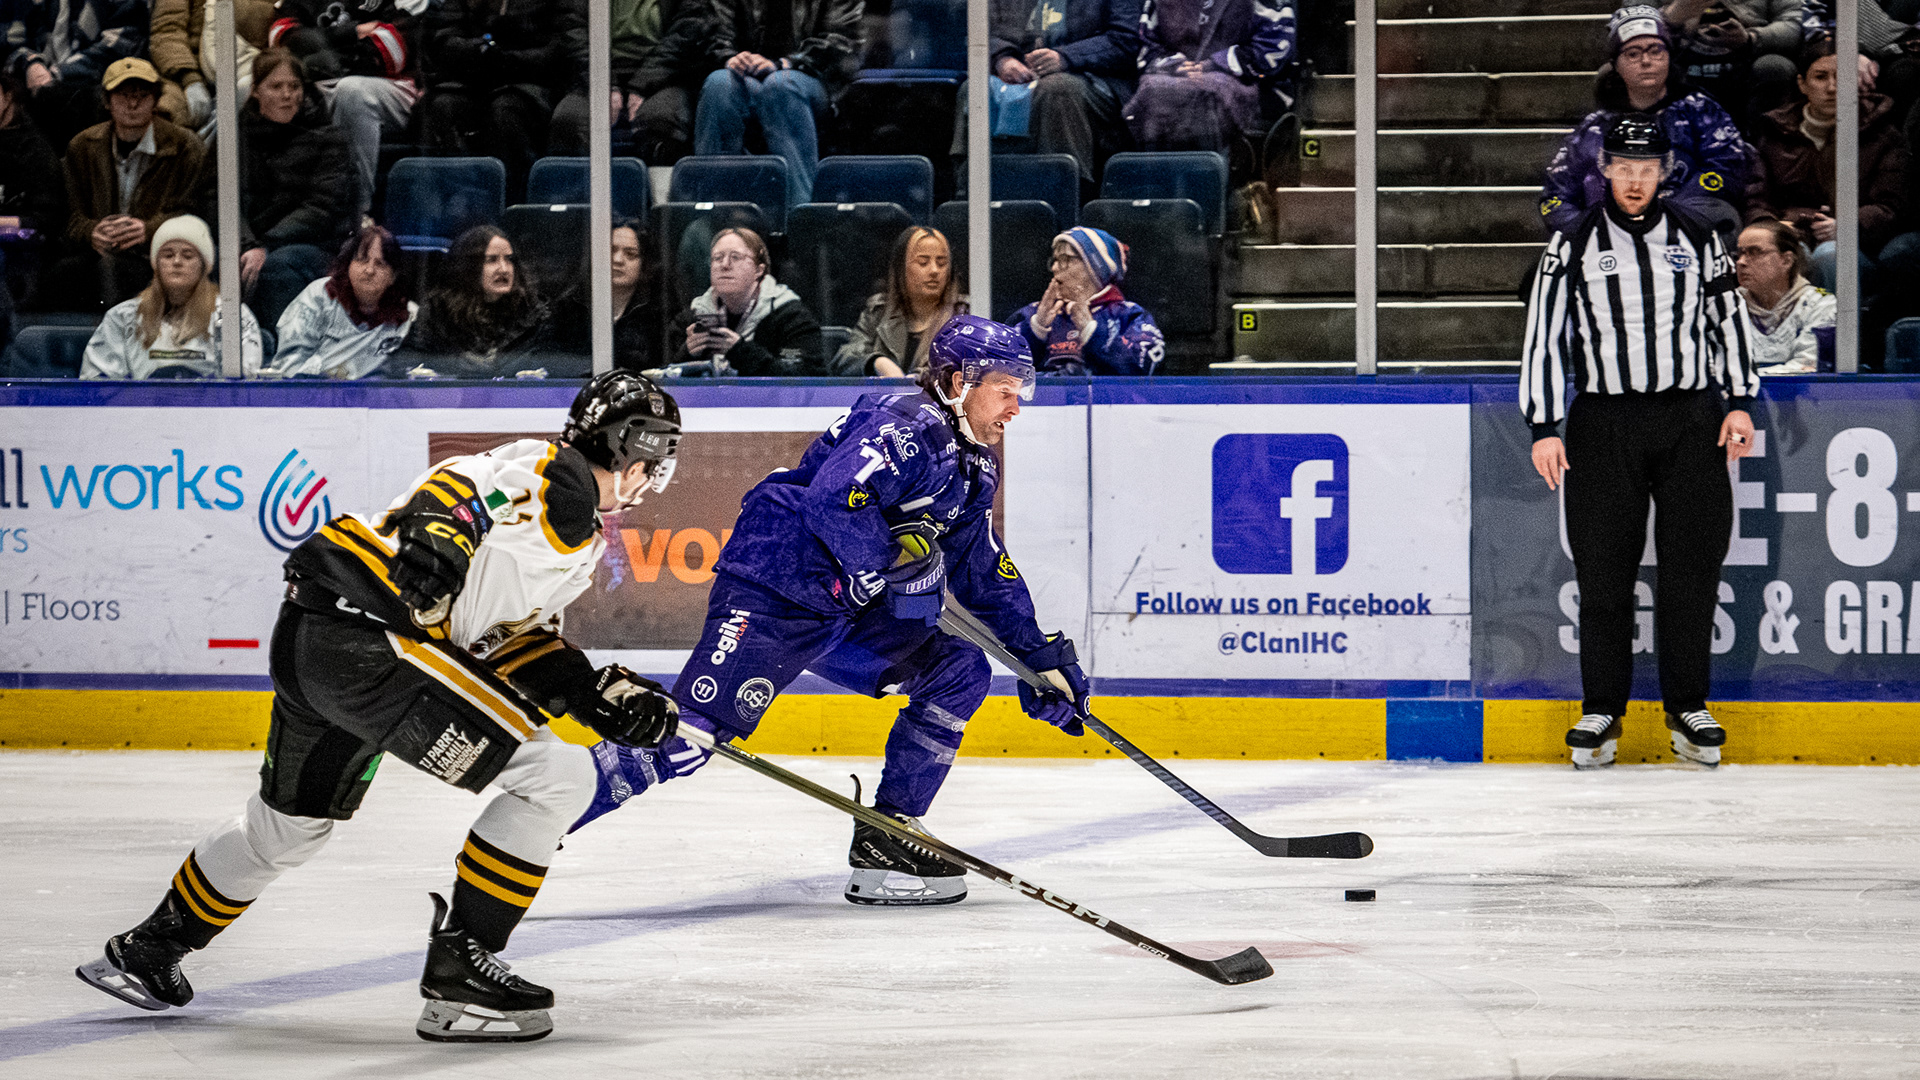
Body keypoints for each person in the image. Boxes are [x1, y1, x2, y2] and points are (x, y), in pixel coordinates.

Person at [75, 373, 686, 1044]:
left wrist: (594, 695)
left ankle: (148, 950)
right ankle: (463, 968)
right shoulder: (554, 475)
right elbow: (456, 487)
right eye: (657, 455)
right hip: (372, 643)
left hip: (316, 637)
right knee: (559, 778)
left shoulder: (576, 535)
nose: (653, 476)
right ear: (631, 448)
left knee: (288, 827)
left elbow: (505, 639)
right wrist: (441, 537)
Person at [575, 315, 1093, 907]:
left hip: (847, 609)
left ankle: (888, 835)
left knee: (959, 671)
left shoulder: (973, 468)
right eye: (1004, 391)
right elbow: (835, 499)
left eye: (1021, 391)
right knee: (690, 737)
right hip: (778, 590)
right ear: (958, 383)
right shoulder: (905, 427)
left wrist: (1037, 656)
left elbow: (982, 570)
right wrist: (891, 562)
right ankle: (539, 816)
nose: (1015, 408)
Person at [1520, 115, 1761, 771]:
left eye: (1646, 169)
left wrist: (1740, 400)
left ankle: (1688, 706)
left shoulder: (1698, 235)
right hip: (1604, 423)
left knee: (1693, 570)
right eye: (1623, 168)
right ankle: (1602, 708)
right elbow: (1545, 334)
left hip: (1691, 419)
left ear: (1664, 172)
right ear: (1604, 170)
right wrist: (1543, 426)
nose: (1634, 180)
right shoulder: (1572, 241)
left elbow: (1726, 317)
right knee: (1603, 573)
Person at [1539, 6, 1752, 238]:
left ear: (1669, 56)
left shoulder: (1701, 111)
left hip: (1683, 228)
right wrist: (1589, 231)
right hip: (1608, 238)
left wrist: (1664, 215)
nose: (1646, 61)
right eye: (1633, 54)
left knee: (1721, 213)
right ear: (1615, 65)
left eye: (1656, 50)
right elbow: (1555, 196)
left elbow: (1727, 170)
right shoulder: (1593, 129)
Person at [1745, 39, 1917, 293]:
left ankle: (1836, 321)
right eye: (1820, 77)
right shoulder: (1773, 133)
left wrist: (1845, 226)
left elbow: (1891, 206)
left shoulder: (1883, 135)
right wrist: (1775, 228)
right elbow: (1756, 198)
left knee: (1829, 253)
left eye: (1842, 77)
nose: (1832, 87)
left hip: (1860, 251)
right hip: (1792, 236)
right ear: (1802, 84)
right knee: (1781, 254)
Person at [53, 58, 209, 313]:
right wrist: (92, 232)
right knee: (63, 273)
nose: (133, 104)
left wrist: (149, 230)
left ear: (155, 101)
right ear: (107, 101)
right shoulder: (82, 146)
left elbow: (197, 210)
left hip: (159, 254)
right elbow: (68, 214)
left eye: (142, 96)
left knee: (113, 270)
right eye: (123, 96)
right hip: (100, 251)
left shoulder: (185, 146)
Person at [693, 0, 863, 207]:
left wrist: (785, 64)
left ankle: (799, 211)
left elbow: (842, 40)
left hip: (813, 78)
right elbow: (713, 30)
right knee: (719, 84)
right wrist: (730, 58)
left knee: (781, 86)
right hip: (748, 77)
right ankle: (712, 212)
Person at [268, 0, 428, 220]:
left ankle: (356, 215)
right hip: (317, 80)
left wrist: (319, 53)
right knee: (260, 88)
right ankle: (276, 211)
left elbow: (394, 49)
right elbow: (281, 42)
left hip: (390, 86)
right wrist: (353, 32)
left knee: (351, 90)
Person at [236, 49, 353, 328]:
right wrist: (247, 243)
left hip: (313, 245)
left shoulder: (328, 138)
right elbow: (216, 197)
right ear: (255, 91)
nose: (287, 95)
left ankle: (282, 347)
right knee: (213, 260)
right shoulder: (236, 137)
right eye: (276, 87)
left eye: (294, 86)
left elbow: (321, 207)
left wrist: (265, 244)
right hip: (251, 241)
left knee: (279, 266)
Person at [79, 214, 265, 378]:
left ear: (204, 265)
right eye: (168, 255)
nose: (177, 261)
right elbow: (99, 385)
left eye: (188, 255)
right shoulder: (122, 317)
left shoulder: (232, 315)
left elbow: (244, 385)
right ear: (156, 263)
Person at [990, 0, 1143, 196]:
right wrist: (1002, 59)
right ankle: (970, 196)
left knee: (1057, 90)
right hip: (1024, 75)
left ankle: (1065, 198)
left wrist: (1066, 57)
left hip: (1097, 78)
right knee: (973, 92)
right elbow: (983, 32)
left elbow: (1126, 40)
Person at [422, 0, 567, 203]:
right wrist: (480, 49)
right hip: (474, 78)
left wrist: (509, 58)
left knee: (506, 111)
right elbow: (444, 39)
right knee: (443, 106)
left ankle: (515, 203)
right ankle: (458, 202)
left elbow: (557, 49)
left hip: (529, 81)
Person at [1123, 0, 1297, 154]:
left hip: (1251, 83)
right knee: (1153, 90)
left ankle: (1215, 176)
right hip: (1176, 75)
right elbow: (1149, 47)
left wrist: (1217, 64)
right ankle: (1158, 175)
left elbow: (1273, 48)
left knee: (1210, 92)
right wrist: (1174, 64)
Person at [552, 0, 713, 164]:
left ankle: (659, 182)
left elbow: (686, 32)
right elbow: (572, 29)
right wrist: (605, 84)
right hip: (595, 73)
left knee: (662, 123)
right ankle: (581, 182)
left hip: (661, 75)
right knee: (568, 122)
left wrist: (642, 84)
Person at [1008, 225, 1164, 376]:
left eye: (1065, 259)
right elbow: (999, 369)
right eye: (1054, 260)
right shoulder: (1031, 314)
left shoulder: (1129, 315)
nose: (1055, 268)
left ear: (1095, 268)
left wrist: (1091, 331)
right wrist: (1035, 330)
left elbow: (1142, 371)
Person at [666, 226, 824, 374]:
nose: (725, 265)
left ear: (759, 270)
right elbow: (660, 376)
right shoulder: (691, 319)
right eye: (717, 258)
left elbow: (803, 378)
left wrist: (739, 351)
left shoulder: (791, 319)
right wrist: (687, 354)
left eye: (736, 257)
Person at [400, 225, 555, 375]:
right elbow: (404, 363)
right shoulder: (438, 312)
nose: (504, 269)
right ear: (468, 266)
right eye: (491, 260)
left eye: (509, 259)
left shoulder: (534, 313)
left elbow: (555, 368)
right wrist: (453, 364)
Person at [270, 224, 417, 377]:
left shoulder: (405, 315)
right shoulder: (319, 296)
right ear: (348, 265)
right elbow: (288, 364)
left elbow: (406, 371)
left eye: (380, 264)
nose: (369, 270)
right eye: (362, 260)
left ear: (393, 276)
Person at [1, 0, 147, 151]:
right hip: (34, 77)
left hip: (92, 81)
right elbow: (13, 39)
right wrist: (31, 63)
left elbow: (120, 47)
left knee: (86, 98)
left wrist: (58, 73)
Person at [831, 225, 966, 378]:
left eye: (942, 263)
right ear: (901, 268)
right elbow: (844, 359)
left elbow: (966, 367)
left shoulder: (964, 315)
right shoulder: (879, 312)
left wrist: (918, 380)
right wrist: (878, 363)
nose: (934, 270)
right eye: (923, 262)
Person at [1660, 0, 1803, 126]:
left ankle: (1767, 140)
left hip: (1749, 62)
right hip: (1678, 61)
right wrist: (1671, 19)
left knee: (1775, 66)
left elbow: (1797, 22)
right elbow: (1644, 16)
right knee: (1652, 63)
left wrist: (1752, 38)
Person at [149, 0, 275, 131]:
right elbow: (166, 33)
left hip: (253, 74)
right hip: (184, 75)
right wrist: (191, 80)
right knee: (160, 116)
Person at [553, 220, 663, 370]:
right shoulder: (569, 306)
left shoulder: (659, 311)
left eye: (631, 254)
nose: (617, 260)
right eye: (611, 250)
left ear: (646, 263)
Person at [0, 69, 65, 308]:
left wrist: (3, 225)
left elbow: (45, 221)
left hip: (22, 243)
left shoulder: (35, 151)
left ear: (8, 96)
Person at [1735, 219, 1835, 372]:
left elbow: (1807, 367)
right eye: (1739, 253)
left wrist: (1748, 378)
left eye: (1754, 252)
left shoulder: (1821, 305)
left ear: (1786, 260)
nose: (1741, 262)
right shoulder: (1728, 305)